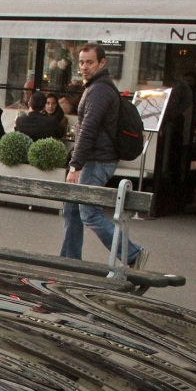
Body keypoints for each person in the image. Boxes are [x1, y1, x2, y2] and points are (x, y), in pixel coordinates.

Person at [61, 43, 147, 268]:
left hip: (97, 160)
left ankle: (133, 253)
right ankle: (69, 261)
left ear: (102, 63)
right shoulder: (96, 87)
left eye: (89, 62)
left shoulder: (99, 90)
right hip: (94, 158)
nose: (84, 67)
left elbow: (88, 129)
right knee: (71, 209)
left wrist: (74, 167)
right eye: (81, 62)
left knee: (89, 213)